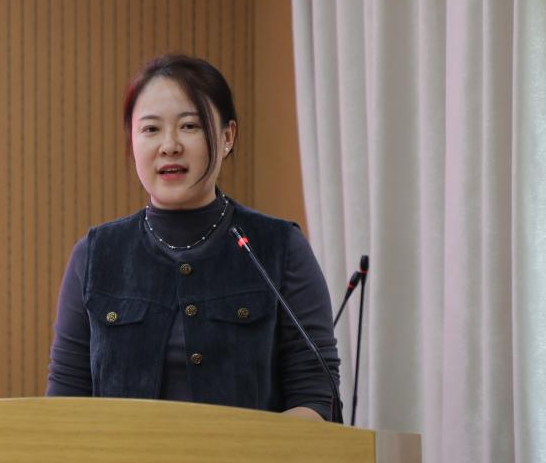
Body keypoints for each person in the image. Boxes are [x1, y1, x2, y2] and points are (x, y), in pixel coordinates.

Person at [46, 54, 340, 422]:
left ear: (227, 137)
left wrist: (257, 451)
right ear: (132, 140)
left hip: (247, 461)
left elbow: (316, 393)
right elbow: (65, 401)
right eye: (151, 129)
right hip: (123, 461)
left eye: (189, 126)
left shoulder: (279, 248)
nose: (169, 145)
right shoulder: (95, 255)